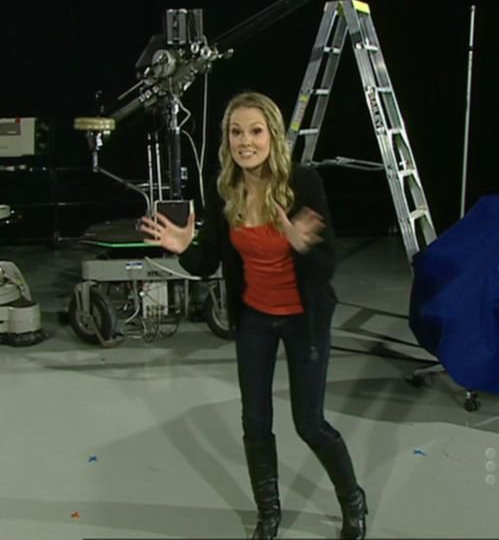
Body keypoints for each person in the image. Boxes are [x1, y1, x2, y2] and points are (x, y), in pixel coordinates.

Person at [139, 91, 368, 539]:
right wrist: (184, 247)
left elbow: (326, 267)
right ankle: (268, 513)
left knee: (310, 424)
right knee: (256, 422)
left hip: (304, 318)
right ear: (227, 139)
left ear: (273, 136)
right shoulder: (223, 188)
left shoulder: (303, 183)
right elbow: (207, 261)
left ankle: (352, 499)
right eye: (236, 132)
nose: (246, 142)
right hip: (255, 320)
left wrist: (301, 244)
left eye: (255, 131)